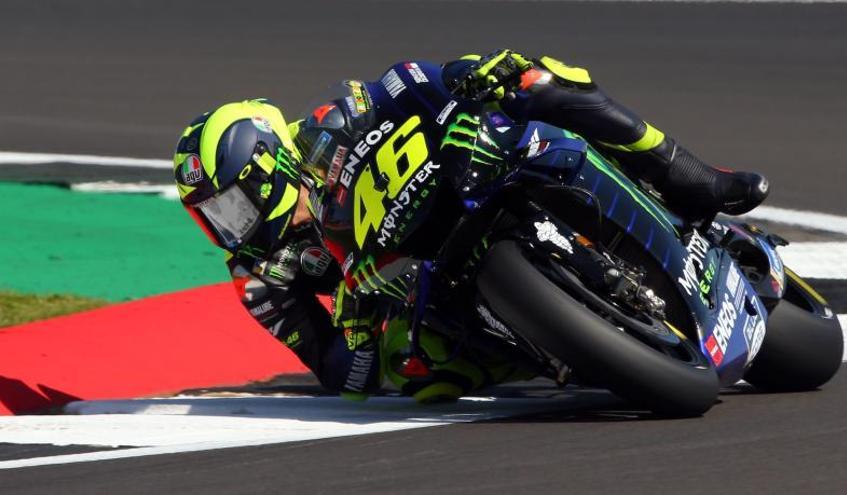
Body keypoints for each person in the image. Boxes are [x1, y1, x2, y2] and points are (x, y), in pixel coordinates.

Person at [172, 50, 768, 402]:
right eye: (213, 217)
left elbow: (404, 80)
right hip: (422, 283)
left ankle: (691, 174)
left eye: (232, 204)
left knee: (532, 78)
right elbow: (341, 377)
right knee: (417, 370)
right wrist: (356, 328)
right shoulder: (259, 280)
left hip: (455, 176)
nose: (231, 227)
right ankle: (564, 350)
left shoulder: (329, 124)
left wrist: (465, 85)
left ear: (268, 166)